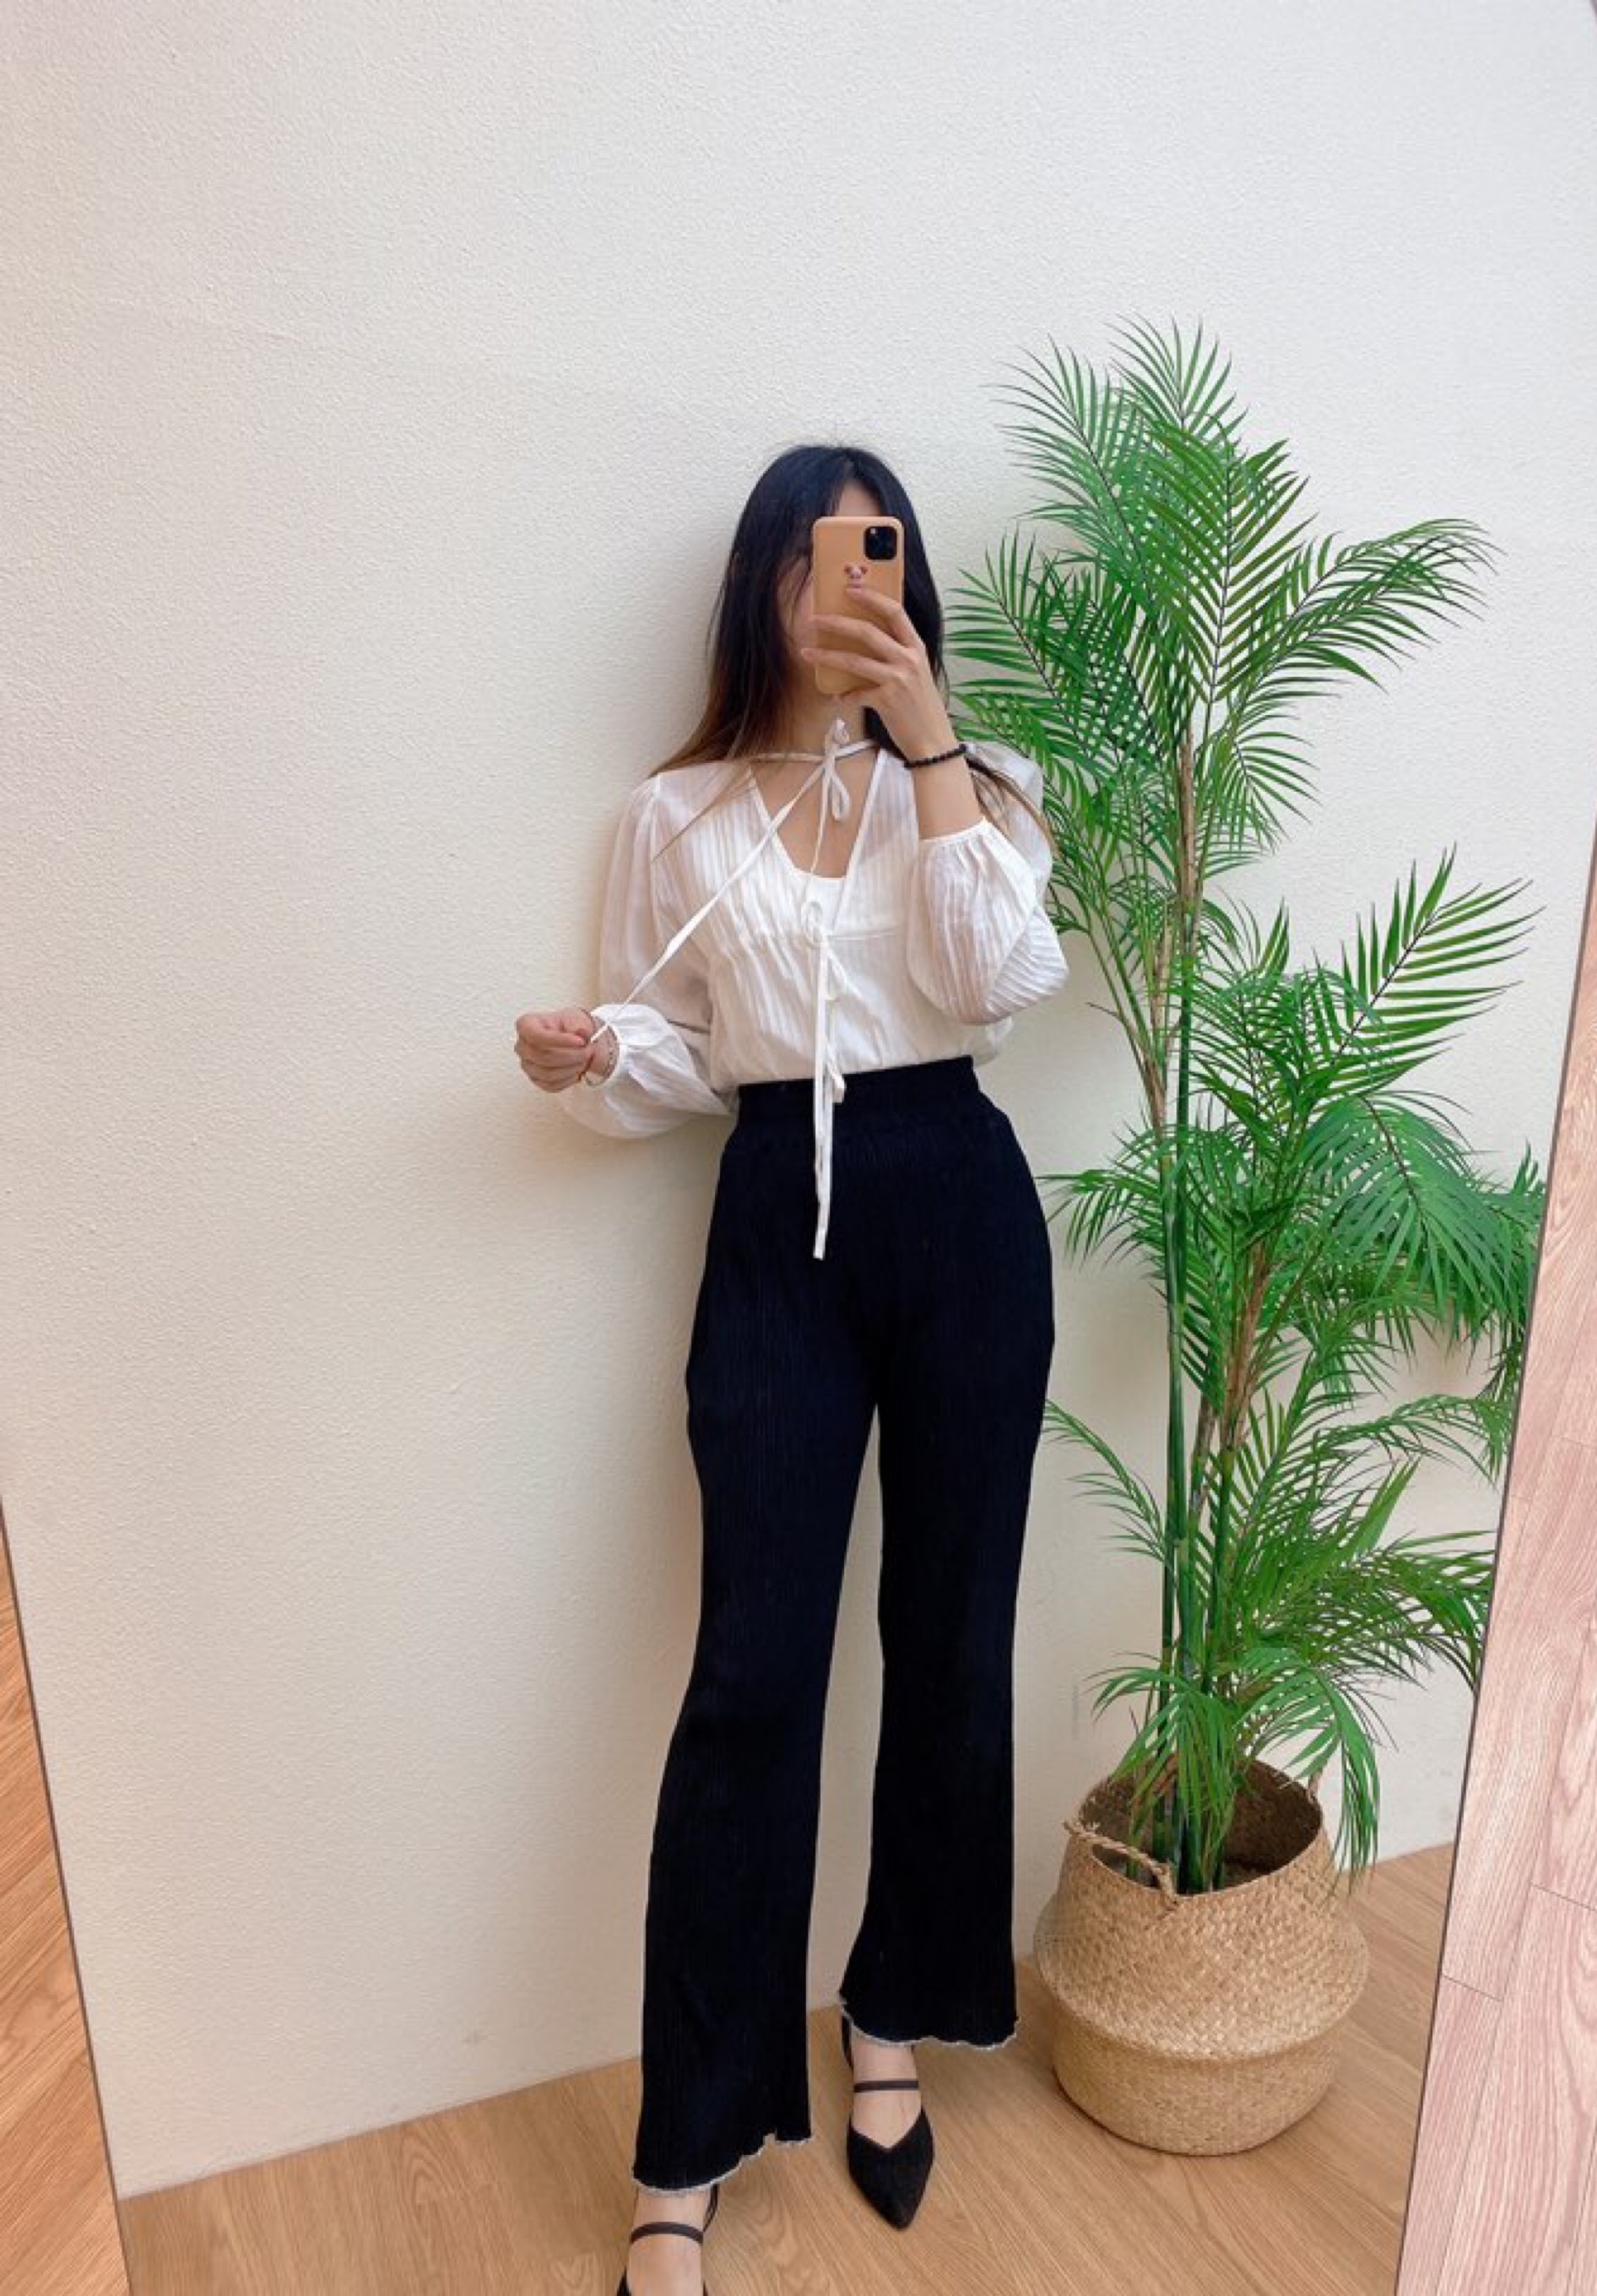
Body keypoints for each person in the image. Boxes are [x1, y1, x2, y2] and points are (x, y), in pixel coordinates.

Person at [514, 443, 1067, 2296]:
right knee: (750, 1674)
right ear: (764, 585)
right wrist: (601, 1057)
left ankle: (892, 2012)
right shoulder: (674, 815)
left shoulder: (983, 787)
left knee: (953, 1639)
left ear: (911, 587)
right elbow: (691, 1046)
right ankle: (685, 2143)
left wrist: (929, 747)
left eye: (876, 561)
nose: (848, 592)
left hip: (961, 1209)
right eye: (813, 563)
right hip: (777, 1221)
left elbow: (992, 985)